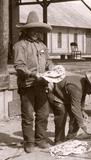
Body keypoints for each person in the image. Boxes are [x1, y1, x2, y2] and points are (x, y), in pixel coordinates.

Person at [13, 11, 53, 153]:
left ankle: (40, 139)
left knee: (43, 114)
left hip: (42, 85)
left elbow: (48, 61)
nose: (36, 33)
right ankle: (29, 142)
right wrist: (32, 74)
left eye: (38, 30)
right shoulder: (20, 45)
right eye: (33, 30)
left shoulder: (42, 45)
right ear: (28, 30)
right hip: (27, 85)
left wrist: (53, 69)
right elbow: (19, 66)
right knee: (28, 115)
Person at [47, 72, 91, 144]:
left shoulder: (84, 84)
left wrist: (82, 111)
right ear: (89, 85)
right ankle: (59, 140)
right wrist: (84, 127)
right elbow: (75, 107)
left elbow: (81, 98)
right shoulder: (76, 87)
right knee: (62, 114)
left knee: (78, 117)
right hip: (56, 94)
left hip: (67, 96)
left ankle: (70, 138)